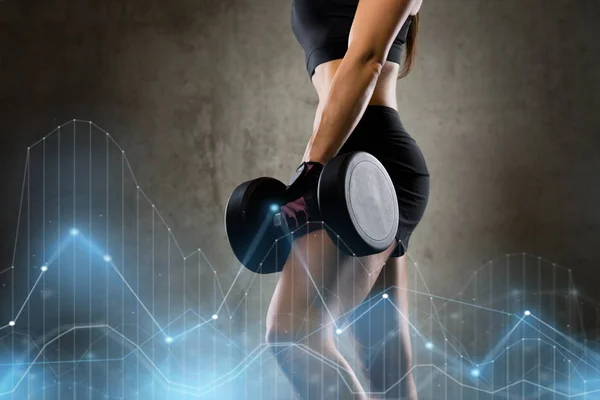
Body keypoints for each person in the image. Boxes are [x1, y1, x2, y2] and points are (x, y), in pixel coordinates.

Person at [265, 0, 429, 398]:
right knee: (386, 372)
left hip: (369, 161)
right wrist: (313, 163)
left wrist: (311, 170)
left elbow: (368, 59)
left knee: (292, 333)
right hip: (337, 158)